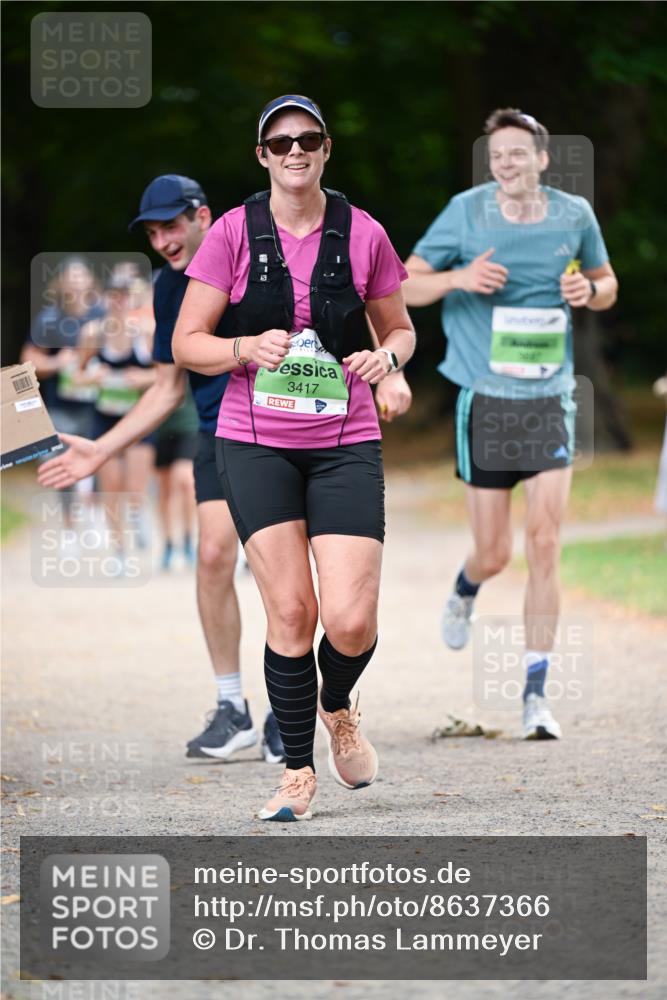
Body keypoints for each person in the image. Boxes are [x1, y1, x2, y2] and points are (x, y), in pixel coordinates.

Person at [172, 94, 416, 822]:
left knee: (347, 619)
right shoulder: (230, 234)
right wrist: (243, 347)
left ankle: (337, 703)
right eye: (279, 143)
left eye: (306, 139)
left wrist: (387, 360)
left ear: (325, 148)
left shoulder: (362, 232)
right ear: (262, 156)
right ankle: (297, 773)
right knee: (289, 608)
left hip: (344, 443)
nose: (294, 152)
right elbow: (188, 342)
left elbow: (399, 328)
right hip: (253, 441)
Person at [38, 175, 283, 765]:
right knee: (212, 556)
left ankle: (288, 709)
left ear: (203, 216)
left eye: (171, 226)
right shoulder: (168, 289)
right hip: (215, 431)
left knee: (279, 569)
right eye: (152, 232)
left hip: (277, 431)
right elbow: (168, 386)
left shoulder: (261, 265)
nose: (164, 240)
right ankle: (232, 707)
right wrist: (101, 448)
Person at [404, 108, 618, 739]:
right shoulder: (466, 212)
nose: (507, 164)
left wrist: (591, 294)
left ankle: (535, 696)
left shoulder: (573, 215)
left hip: (551, 396)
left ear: (542, 159)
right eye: (497, 156)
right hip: (486, 397)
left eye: (518, 154)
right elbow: (404, 283)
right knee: (495, 552)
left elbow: (606, 281)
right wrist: (459, 277)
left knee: (545, 544)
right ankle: (467, 586)